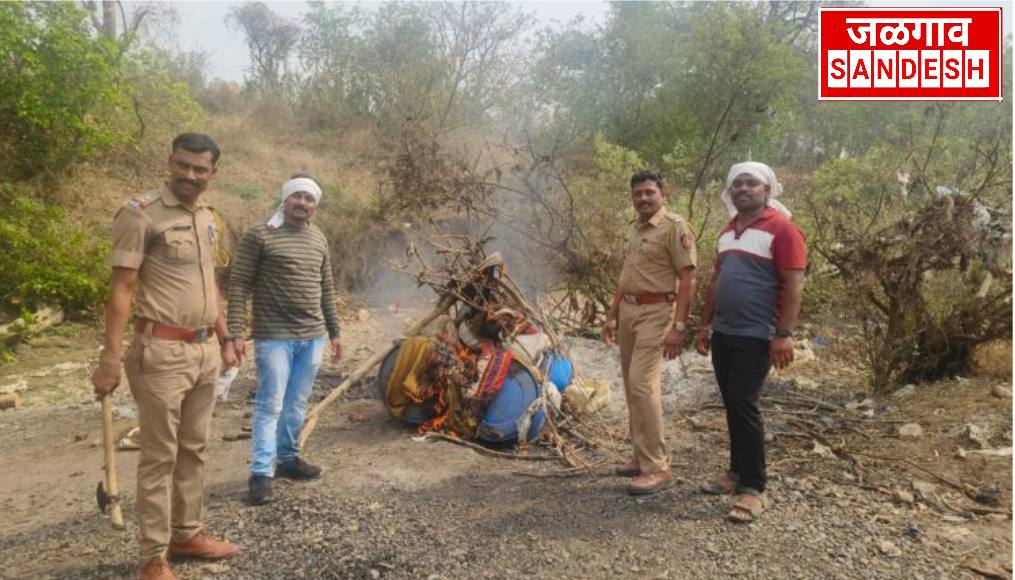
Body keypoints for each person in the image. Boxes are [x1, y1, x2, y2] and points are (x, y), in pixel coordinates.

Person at [91, 133, 240, 580]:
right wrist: (110, 359)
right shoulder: (140, 213)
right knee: (160, 456)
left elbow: (210, 284)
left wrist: (226, 336)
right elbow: (122, 288)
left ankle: (186, 533)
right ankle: (153, 557)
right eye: (183, 165)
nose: (190, 175)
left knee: (194, 449)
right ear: (170, 163)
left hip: (204, 350)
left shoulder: (208, 218)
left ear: (213, 173)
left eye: (200, 169)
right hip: (160, 352)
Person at [695, 161, 806, 523]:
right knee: (732, 404)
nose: (744, 189)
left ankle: (754, 488)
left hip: (758, 335)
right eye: (737, 184)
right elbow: (716, 280)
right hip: (724, 333)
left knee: (744, 404)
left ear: (767, 190)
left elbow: (793, 285)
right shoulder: (727, 232)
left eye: (752, 184)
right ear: (730, 192)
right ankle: (736, 472)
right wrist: (703, 325)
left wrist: (783, 334)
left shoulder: (783, 230)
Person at [226, 174, 342, 505]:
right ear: (285, 199)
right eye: (298, 197)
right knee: (270, 404)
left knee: (296, 402)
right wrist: (235, 332)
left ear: (315, 205)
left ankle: (288, 460)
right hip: (274, 335)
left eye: (309, 199)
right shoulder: (260, 234)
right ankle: (261, 472)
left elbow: (327, 289)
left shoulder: (318, 238)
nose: (303, 204)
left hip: (313, 336)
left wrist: (335, 331)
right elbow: (238, 284)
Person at [603, 170, 697, 495]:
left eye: (648, 193)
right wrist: (611, 315)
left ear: (662, 193)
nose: (643, 199)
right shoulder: (635, 228)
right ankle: (639, 457)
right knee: (632, 387)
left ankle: (657, 467)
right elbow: (626, 276)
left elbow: (688, 280)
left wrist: (679, 327)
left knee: (642, 384)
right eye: (637, 194)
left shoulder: (674, 228)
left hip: (657, 312)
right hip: (629, 309)